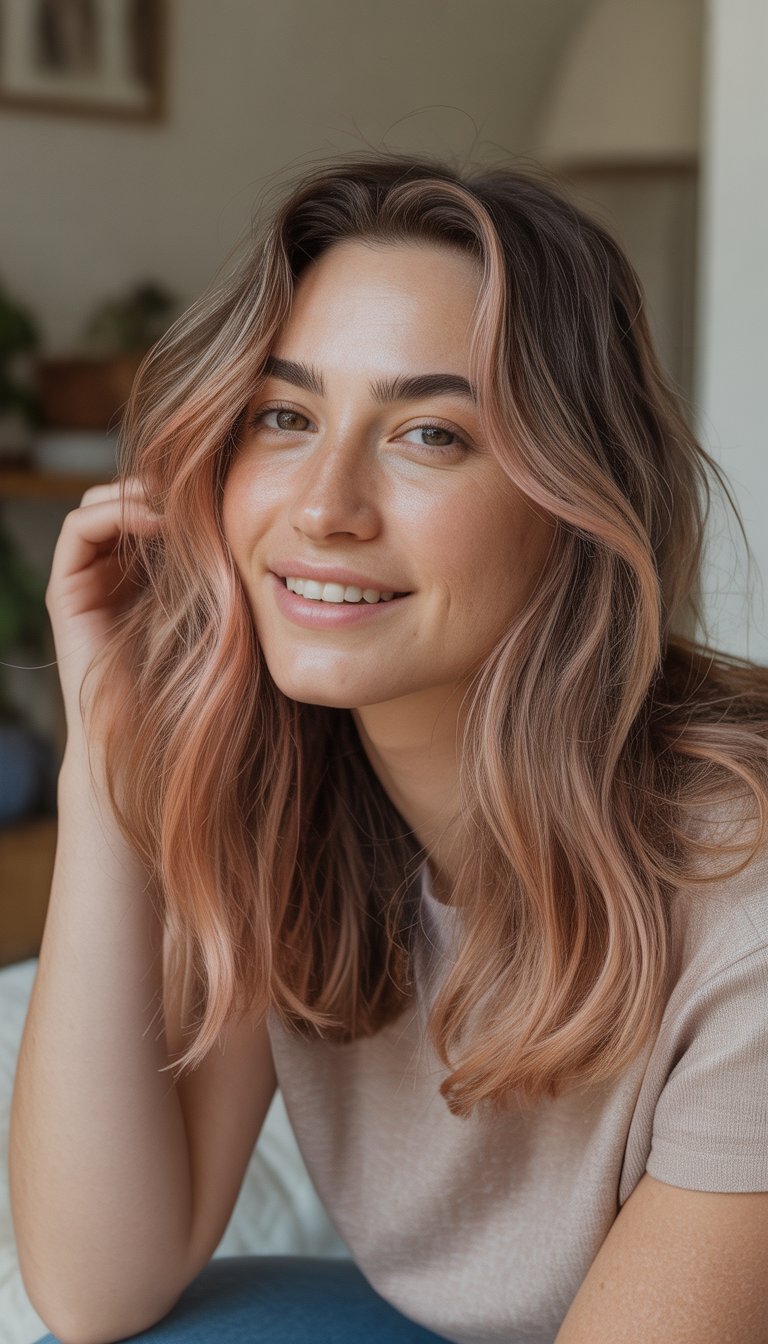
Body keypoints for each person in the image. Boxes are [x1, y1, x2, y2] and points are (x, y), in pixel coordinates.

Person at [10, 150, 768, 1344]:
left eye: (429, 435)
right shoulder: (290, 800)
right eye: (284, 416)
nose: (324, 505)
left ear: (576, 504)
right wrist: (109, 758)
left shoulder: (745, 903)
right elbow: (99, 1284)